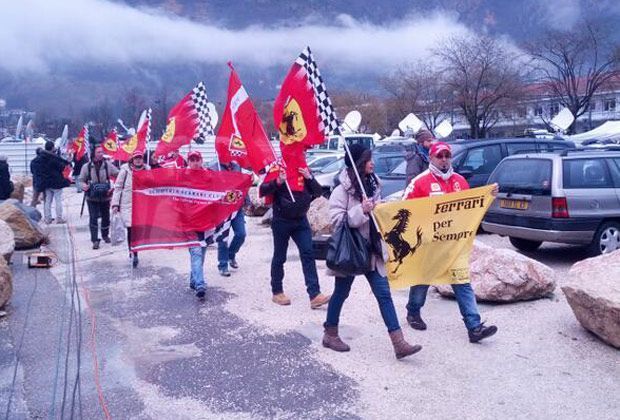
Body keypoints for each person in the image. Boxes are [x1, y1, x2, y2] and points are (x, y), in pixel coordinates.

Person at [322, 144, 422, 359]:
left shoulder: (374, 184)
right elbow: (337, 222)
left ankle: (399, 344)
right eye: (368, 159)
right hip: (351, 251)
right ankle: (330, 333)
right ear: (358, 163)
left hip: (373, 250)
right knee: (341, 292)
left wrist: (382, 208)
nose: (372, 163)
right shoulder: (341, 191)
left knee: (384, 294)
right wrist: (361, 210)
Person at [403, 142, 498, 343]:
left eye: (447, 155)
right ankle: (413, 311)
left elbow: (470, 208)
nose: (444, 159)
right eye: (440, 156)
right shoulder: (420, 182)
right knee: (422, 280)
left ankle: (474, 327)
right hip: (429, 244)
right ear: (431, 158)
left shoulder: (460, 181)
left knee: (462, 282)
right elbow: (405, 210)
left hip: (454, 245)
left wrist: (487, 196)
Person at [259, 162, 330, 309]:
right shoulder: (277, 168)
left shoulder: (303, 168)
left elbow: (317, 192)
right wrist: (277, 182)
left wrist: (309, 177)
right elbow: (262, 190)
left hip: (301, 220)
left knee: (308, 253)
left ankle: (314, 294)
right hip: (281, 220)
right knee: (280, 256)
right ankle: (277, 291)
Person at [111, 151, 149, 268]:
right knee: (131, 230)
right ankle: (133, 252)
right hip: (128, 205)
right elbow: (118, 188)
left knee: (139, 229)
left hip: (142, 204)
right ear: (132, 159)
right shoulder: (125, 171)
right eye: (136, 158)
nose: (138, 160)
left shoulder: (147, 170)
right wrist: (115, 204)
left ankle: (136, 248)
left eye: (140, 158)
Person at [79, 146, 119, 249]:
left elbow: (118, 174)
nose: (101, 154)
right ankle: (95, 240)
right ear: (94, 154)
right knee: (93, 218)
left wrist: (115, 186)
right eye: (98, 152)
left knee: (106, 218)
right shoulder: (86, 167)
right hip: (92, 197)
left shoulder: (107, 165)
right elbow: (81, 180)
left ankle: (105, 235)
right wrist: (84, 185)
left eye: (102, 152)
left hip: (105, 197)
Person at [216, 161, 246, 277]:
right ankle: (223, 265)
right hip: (222, 208)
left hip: (237, 207)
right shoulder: (214, 166)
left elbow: (243, 185)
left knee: (241, 234)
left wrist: (246, 200)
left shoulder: (237, 166)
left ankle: (231, 254)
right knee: (223, 238)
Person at [186, 151, 207, 299]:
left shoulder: (208, 176)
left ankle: (194, 279)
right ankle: (200, 284)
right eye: (191, 160)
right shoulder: (182, 176)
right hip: (189, 222)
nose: (194, 162)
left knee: (201, 253)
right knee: (196, 252)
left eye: (196, 159)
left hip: (205, 223)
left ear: (201, 160)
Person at [40, 141, 71, 223]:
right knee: (58, 200)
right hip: (56, 181)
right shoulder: (54, 157)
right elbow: (61, 167)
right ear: (52, 148)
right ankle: (59, 218)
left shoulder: (41, 157)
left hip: (46, 182)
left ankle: (47, 218)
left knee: (48, 201)